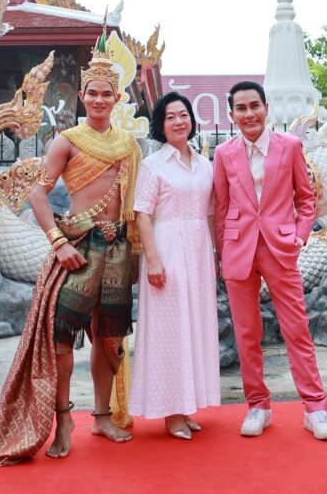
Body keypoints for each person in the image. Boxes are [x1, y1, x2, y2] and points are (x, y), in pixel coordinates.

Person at [0, 33, 141, 465]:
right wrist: (58, 242)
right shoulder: (66, 140)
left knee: (110, 339)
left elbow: (136, 203)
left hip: (117, 248)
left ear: (117, 98)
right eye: (92, 93)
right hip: (77, 246)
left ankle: (101, 416)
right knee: (61, 338)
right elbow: (38, 195)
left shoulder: (129, 146)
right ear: (82, 97)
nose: (99, 100)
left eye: (106, 94)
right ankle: (63, 418)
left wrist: (139, 253)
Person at [212, 80, 327, 440]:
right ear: (232, 114)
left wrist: (299, 236)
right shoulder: (223, 153)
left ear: (266, 108)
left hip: (280, 247)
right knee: (246, 332)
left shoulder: (290, 146)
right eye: (241, 108)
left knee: (296, 328)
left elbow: (306, 200)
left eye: (254, 106)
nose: (249, 114)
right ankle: (258, 406)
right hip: (238, 249)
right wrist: (222, 252)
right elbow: (221, 208)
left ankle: (315, 408)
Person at [129, 92, 221, 439]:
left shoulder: (204, 164)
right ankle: (170, 412)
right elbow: (142, 214)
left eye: (184, 115)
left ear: (191, 121)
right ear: (161, 125)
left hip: (198, 252)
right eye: (171, 117)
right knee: (169, 330)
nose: (179, 122)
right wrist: (153, 259)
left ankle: (186, 406)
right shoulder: (153, 165)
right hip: (166, 250)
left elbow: (210, 212)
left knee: (193, 326)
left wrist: (216, 253)